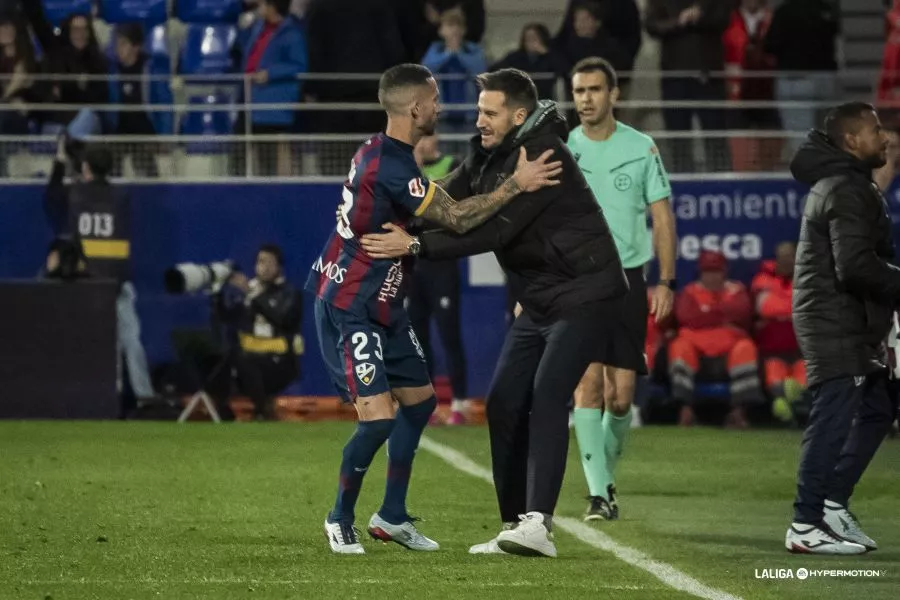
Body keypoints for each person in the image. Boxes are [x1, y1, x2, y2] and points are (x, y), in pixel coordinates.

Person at [360, 68, 631, 558]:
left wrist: (414, 244)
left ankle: (539, 524)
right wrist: (393, 199)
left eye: (490, 112)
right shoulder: (490, 154)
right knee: (504, 401)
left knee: (548, 393)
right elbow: (449, 193)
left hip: (586, 293)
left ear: (519, 116)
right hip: (542, 299)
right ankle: (514, 526)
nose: (479, 119)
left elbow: (492, 232)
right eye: (480, 110)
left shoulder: (544, 155)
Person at [305, 63, 562, 555]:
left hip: (384, 304)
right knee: (378, 419)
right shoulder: (394, 166)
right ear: (416, 107)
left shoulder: (381, 152)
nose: (441, 107)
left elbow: (442, 198)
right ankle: (339, 517)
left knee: (421, 404)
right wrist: (517, 183)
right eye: (436, 99)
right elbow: (459, 217)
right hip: (352, 305)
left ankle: (393, 517)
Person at [786, 102, 900, 555]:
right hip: (834, 318)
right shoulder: (847, 189)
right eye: (876, 131)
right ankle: (805, 523)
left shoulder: (849, 184)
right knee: (832, 415)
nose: (885, 139)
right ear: (852, 140)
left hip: (844, 317)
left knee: (879, 405)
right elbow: (854, 266)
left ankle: (831, 502)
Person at [566, 57, 677, 521]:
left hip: (629, 281)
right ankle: (598, 494)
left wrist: (667, 280)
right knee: (588, 387)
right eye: (578, 91)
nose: (585, 99)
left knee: (621, 397)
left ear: (614, 95)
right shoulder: (565, 147)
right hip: (579, 281)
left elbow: (662, 218)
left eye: (594, 90)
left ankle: (603, 478)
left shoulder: (642, 147)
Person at [43, 139, 157, 407]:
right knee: (130, 340)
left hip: (84, 282)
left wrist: (61, 160)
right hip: (118, 280)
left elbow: (51, 196)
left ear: (85, 168)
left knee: (90, 343)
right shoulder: (122, 197)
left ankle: (105, 397)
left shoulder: (75, 194)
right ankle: (145, 396)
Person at [409, 133, 470, 425]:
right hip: (414, 266)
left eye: (428, 136)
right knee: (418, 338)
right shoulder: (407, 170)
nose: (423, 142)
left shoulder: (451, 166)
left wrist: (419, 176)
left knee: (449, 335)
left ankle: (459, 402)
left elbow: (442, 210)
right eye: (419, 138)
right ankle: (427, 403)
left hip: (442, 265)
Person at [668, 250, 762, 428]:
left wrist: (705, 313)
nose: (712, 277)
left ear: (724, 272)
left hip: (727, 357)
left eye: (716, 272)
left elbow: (742, 314)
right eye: (708, 272)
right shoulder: (690, 292)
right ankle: (685, 411)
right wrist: (722, 316)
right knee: (680, 346)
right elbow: (686, 317)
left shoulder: (737, 290)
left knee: (746, 347)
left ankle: (738, 413)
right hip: (699, 357)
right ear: (701, 273)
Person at [213, 245, 303, 421]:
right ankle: (222, 413)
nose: (265, 267)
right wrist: (217, 294)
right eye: (261, 262)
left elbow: (283, 320)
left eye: (270, 262)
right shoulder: (250, 290)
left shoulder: (290, 293)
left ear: (279, 267)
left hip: (281, 361)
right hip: (250, 359)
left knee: (243, 358)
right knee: (221, 358)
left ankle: (263, 411)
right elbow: (227, 317)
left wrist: (252, 296)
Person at [107, 23, 174, 178]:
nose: (118, 48)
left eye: (123, 44)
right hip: (119, 133)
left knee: (147, 175)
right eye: (117, 44)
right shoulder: (112, 72)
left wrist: (165, 137)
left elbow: (164, 104)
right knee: (109, 165)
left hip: (145, 133)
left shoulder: (152, 70)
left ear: (136, 47)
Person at [750, 241, 805, 423]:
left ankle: (796, 412)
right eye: (783, 257)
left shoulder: (808, 279)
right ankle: (783, 408)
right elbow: (765, 307)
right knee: (774, 375)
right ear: (777, 259)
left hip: (802, 349)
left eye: (791, 257)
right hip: (772, 348)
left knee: (802, 378)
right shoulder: (762, 279)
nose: (787, 262)